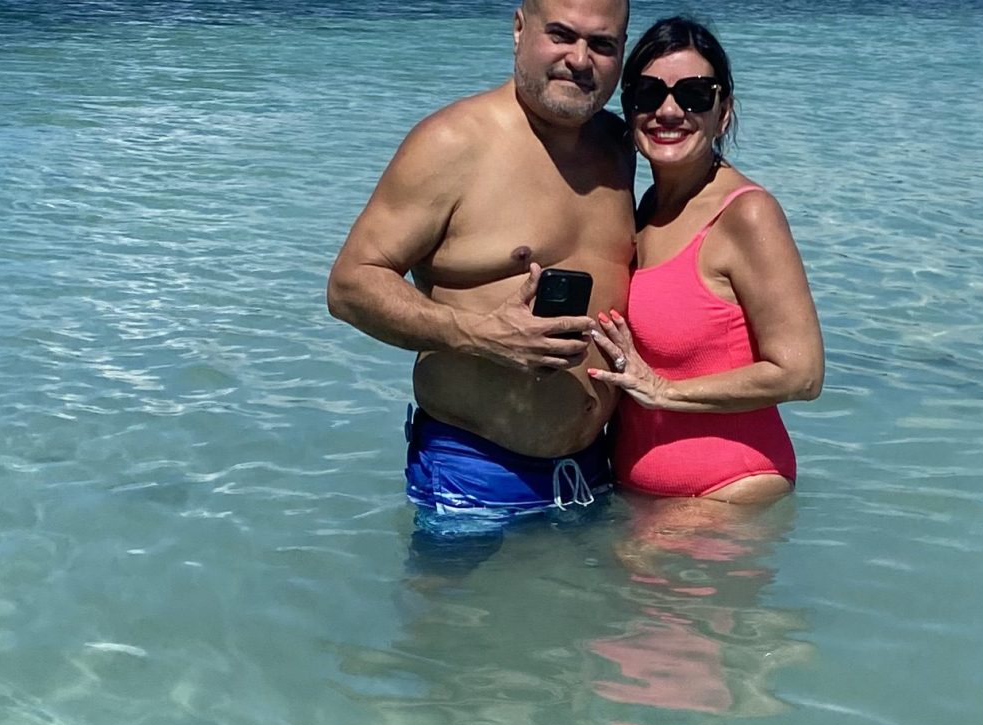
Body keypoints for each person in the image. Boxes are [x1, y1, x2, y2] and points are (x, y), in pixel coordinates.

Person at [325, 0, 636, 523]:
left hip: (595, 470)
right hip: (471, 472)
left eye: (602, 44)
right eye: (561, 35)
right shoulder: (454, 143)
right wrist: (478, 334)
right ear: (519, 29)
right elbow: (350, 286)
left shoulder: (621, 148)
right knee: (453, 610)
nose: (580, 59)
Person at [588, 16, 823, 504]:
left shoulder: (747, 214)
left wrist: (664, 391)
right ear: (629, 109)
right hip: (640, 498)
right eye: (648, 94)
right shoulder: (647, 207)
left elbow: (801, 374)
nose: (668, 111)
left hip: (727, 492)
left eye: (694, 94)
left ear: (724, 112)